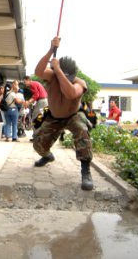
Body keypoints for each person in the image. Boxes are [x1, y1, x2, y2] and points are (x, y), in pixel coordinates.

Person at [31, 36, 94, 191]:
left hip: (73, 116)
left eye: (68, 76)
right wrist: (51, 50)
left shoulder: (80, 83)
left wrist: (58, 70)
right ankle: (47, 156)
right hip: (53, 116)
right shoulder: (52, 76)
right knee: (37, 144)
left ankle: (86, 171)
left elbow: (71, 94)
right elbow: (38, 71)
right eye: (59, 73)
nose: (62, 78)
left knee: (82, 131)